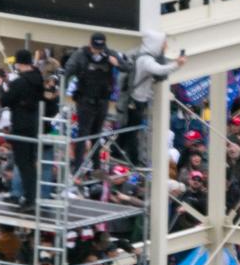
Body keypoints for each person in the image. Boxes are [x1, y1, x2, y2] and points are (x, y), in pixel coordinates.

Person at [120, 29, 186, 164]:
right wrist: (176, 64)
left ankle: (119, 152)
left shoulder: (141, 54)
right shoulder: (146, 60)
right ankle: (132, 159)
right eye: (163, 44)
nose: (164, 47)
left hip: (137, 99)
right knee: (132, 131)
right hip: (137, 101)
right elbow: (159, 70)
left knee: (128, 129)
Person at [64, 32, 122, 167]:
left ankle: (96, 165)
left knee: (97, 134)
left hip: (102, 101)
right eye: (96, 48)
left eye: (100, 48)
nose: (98, 51)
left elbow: (127, 67)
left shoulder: (110, 53)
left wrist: (116, 63)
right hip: (84, 100)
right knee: (83, 134)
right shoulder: (80, 54)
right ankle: (78, 166)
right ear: (90, 44)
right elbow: (67, 70)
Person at [0, 49, 42, 211]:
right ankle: (30, 197)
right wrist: (9, 82)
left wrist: (1, 85)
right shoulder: (37, 77)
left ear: (19, 63)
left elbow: (5, 101)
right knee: (29, 164)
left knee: (24, 164)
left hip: (21, 127)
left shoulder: (19, 83)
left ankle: (29, 200)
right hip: (33, 126)